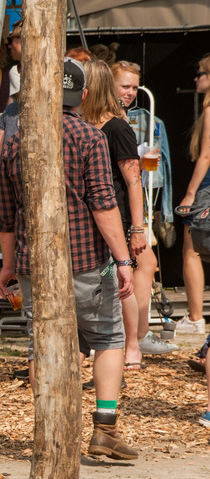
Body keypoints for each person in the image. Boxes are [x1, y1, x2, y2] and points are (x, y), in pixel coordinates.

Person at [0, 57, 138, 461]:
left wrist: (7, 266)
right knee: (109, 338)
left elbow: (7, 214)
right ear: (85, 95)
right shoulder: (90, 137)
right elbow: (103, 205)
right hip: (85, 261)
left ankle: (50, 432)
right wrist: (123, 259)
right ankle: (104, 430)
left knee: (43, 345)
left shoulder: (16, 139)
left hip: (30, 264)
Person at [81, 60, 177, 366]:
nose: (132, 93)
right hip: (94, 218)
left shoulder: (117, 127)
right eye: (126, 86)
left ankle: (133, 342)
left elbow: (133, 181)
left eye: (136, 87)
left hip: (116, 218)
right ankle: (119, 341)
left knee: (121, 278)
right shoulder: (84, 125)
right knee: (111, 280)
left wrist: (138, 228)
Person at [176, 53, 210, 335]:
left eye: (201, 73)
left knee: (192, 248)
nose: (196, 78)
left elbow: (206, 155)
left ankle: (195, 317)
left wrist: (189, 194)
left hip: (207, 186)